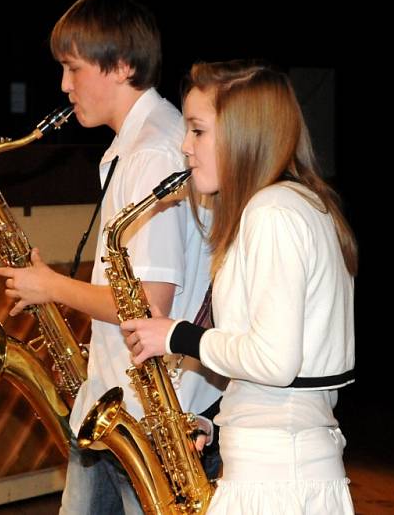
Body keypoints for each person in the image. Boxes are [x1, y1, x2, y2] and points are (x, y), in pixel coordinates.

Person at [0, 0, 224, 514]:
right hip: (117, 406)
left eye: (73, 68)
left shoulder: (151, 154)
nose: (64, 85)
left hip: (150, 423)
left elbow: (149, 305)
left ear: (121, 66)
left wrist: (50, 287)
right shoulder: (141, 144)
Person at [121, 61, 358, 513]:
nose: (185, 146)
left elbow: (275, 362)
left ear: (243, 132)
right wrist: (221, 421)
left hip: (276, 481)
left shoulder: (272, 212)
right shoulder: (298, 204)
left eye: (197, 130)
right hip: (284, 464)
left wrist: (175, 335)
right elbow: (294, 378)